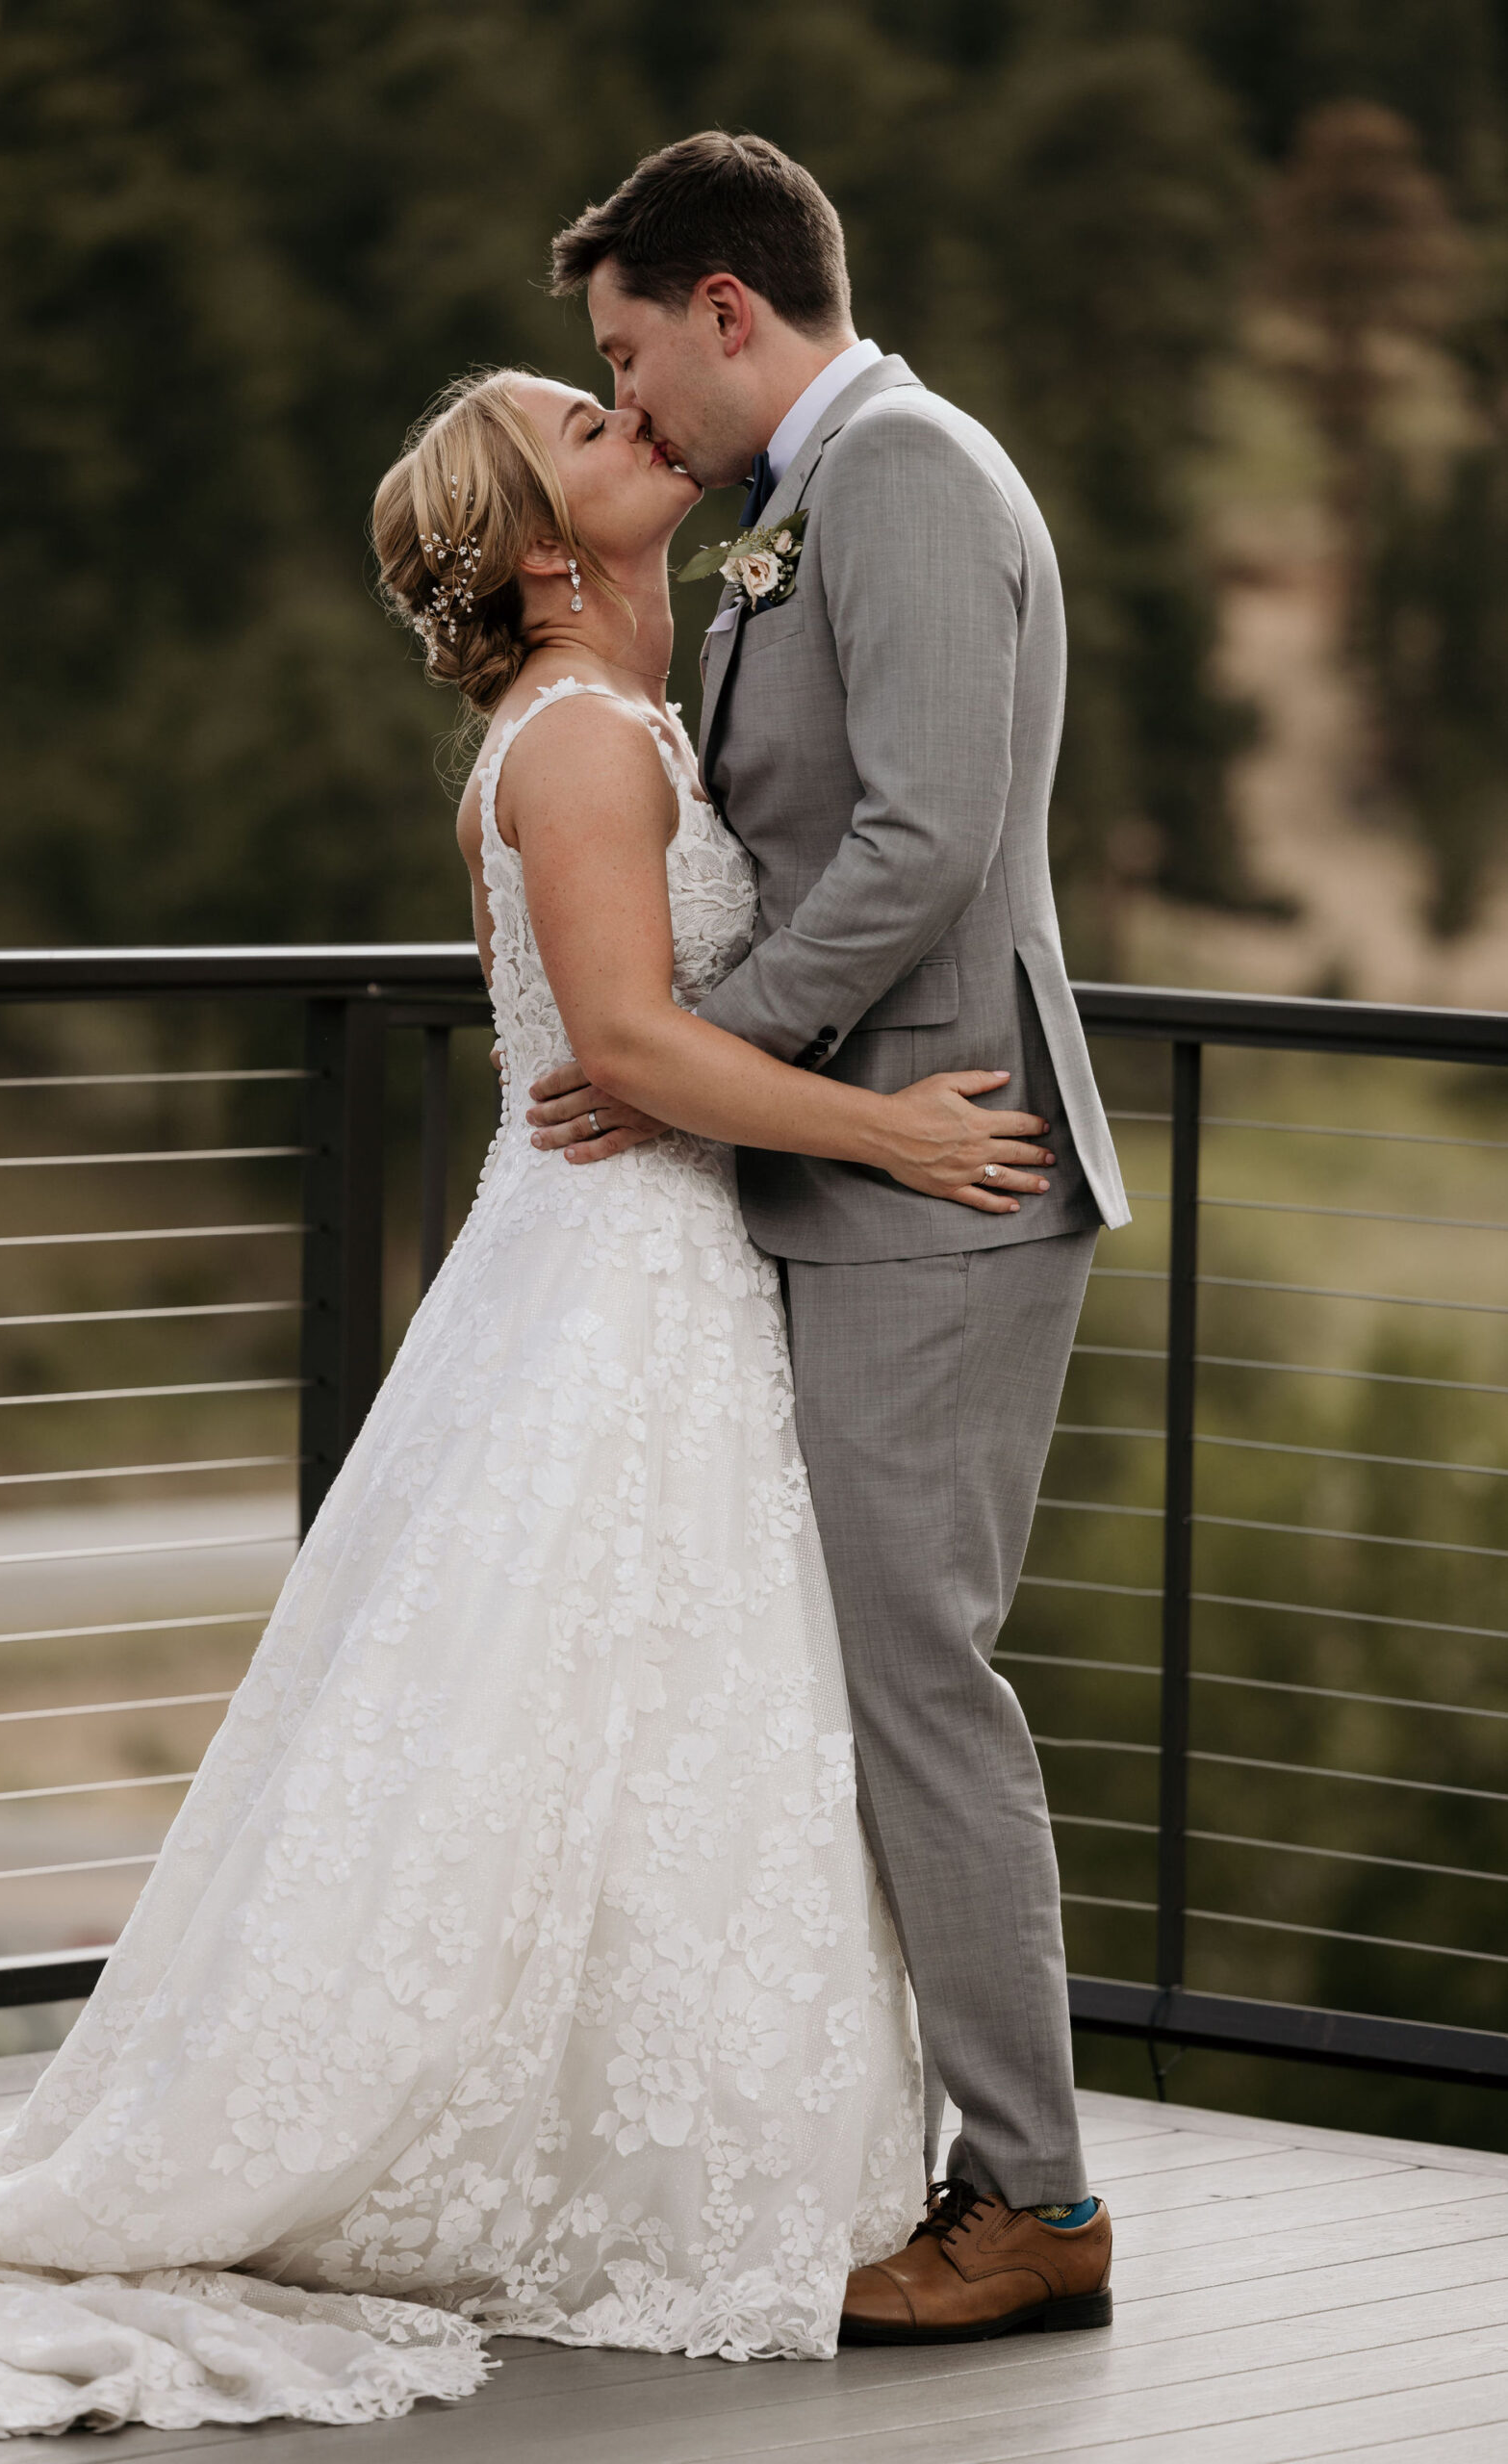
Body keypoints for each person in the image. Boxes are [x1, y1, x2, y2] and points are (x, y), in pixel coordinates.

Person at [0, 346, 1084, 2433]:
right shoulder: (585, 741)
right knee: (574, 1692)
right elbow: (626, 1043)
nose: (639, 428)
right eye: (592, 424)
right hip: (622, 1263)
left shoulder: (627, 709)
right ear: (538, 542)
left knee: (622, 1713)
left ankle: (616, 2113)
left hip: (656, 1262)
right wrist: (884, 1133)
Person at [532, 132, 1128, 2343]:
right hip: (847, 1170)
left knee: (919, 1690)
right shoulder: (816, 495)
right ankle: (923, 2149)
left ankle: (1034, 2199)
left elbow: (925, 843)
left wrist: (694, 1042)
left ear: (719, 305)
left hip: (930, 1174)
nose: (630, 410)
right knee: (853, 1688)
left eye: (626, 355)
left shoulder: (896, 472)